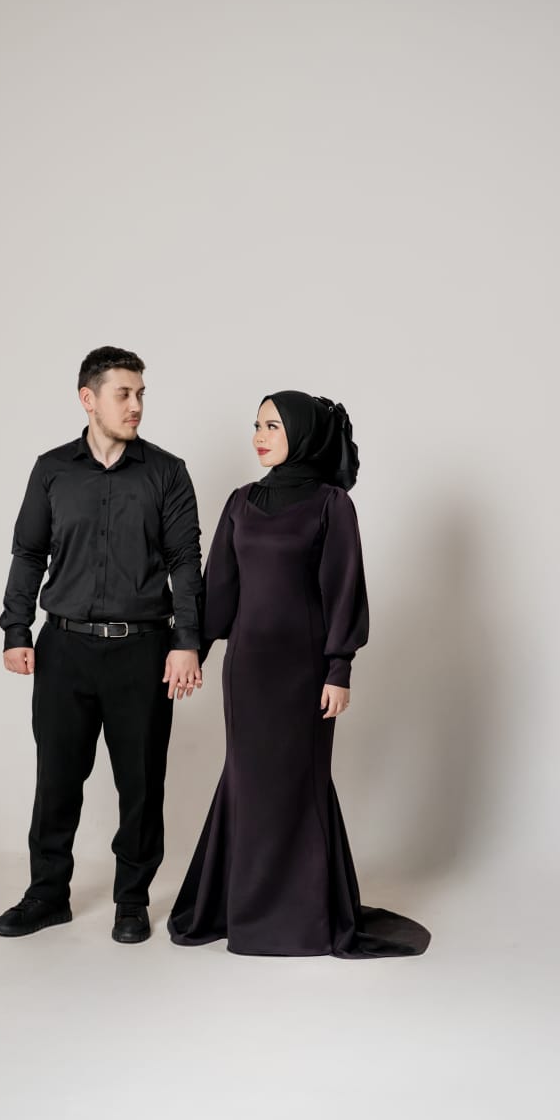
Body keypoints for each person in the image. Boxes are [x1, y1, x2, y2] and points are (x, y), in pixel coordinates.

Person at [167, 390, 431, 958]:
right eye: (257, 425)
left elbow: (344, 589)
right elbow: (220, 589)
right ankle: (241, 909)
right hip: (247, 672)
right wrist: (191, 650)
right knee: (247, 782)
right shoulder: (240, 502)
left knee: (297, 783)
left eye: (273, 426)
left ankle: (300, 918)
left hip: (304, 674)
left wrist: (340, 669)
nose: (259, 437)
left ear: (303, 434)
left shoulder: (332, 505)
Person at [0, 346, 204, 945]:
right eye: (124, 394)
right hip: (64, 649)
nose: (136, 405)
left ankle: (131, 900)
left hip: (143, 651)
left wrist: (186, 641)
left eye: (141, 394)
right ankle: (46, 895)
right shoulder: (51, 470)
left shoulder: (167, 472)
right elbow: (29, 553)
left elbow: (186, 560)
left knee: (140, 783)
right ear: (89, 399)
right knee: (57, 779)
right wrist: (16, 630)